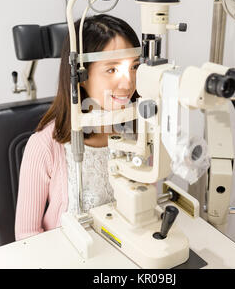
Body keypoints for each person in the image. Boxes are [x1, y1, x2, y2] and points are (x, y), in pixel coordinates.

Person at [14, 14, 141, 241]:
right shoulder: (45, 146)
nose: (128, 82)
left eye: (134, 67)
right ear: (81, 75)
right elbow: (26, 236)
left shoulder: (138, 132)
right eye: (112, 69)